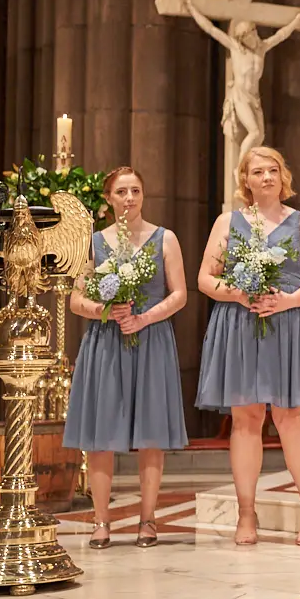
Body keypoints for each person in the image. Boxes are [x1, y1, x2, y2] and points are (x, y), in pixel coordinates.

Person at [196, 146, 300, 546]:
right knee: (246, 419)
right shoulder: (228, 222)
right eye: (258, 172)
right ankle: (246, 514)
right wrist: (237, 294)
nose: (267, 177)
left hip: (289, 323)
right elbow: (205, 277)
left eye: (273, 170)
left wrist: (288, 300)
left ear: (283, 176)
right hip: (241, 324)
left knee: (292, 418)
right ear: (246, 180)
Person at [64, 166, 190, 548]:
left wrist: (144, 318)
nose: (130, 198)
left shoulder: (165, 239)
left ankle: (147, 521)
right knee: (102, 435)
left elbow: (179, 294)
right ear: (109, 198)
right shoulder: (92, 243)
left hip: (151, 340)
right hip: (106, 342)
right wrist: (106, 309)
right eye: (122, 191)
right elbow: (75, 300)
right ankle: (101, 521)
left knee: (150, 434)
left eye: (136, 190)